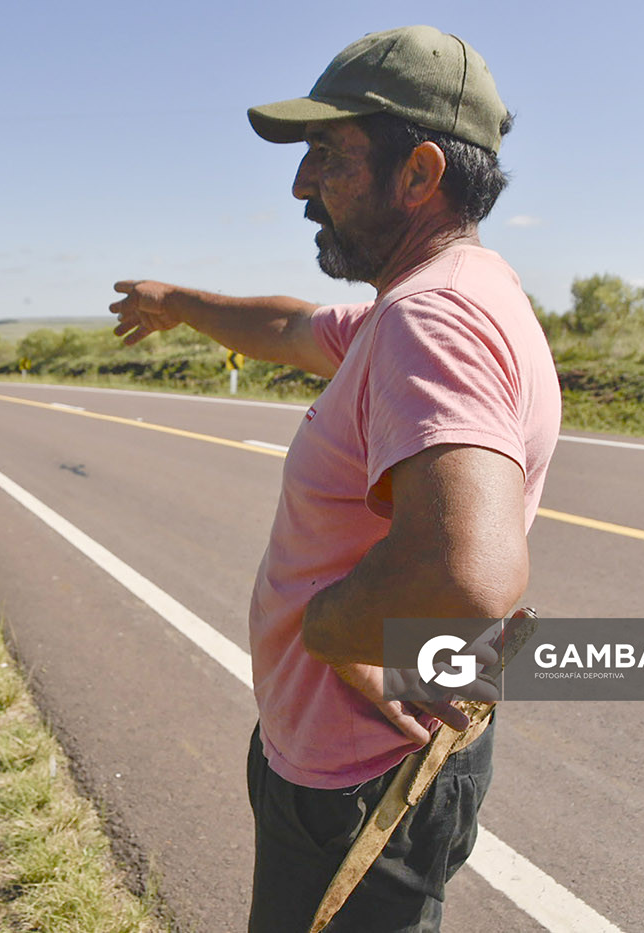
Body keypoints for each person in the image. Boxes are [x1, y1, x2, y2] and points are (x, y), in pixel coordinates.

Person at [109, 25, 561, 933]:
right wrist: (179, 304)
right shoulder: (445, 291)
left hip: (359, 780)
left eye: (327, 156)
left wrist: (322, 622)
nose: (300, 185)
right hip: (372, 757)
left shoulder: (430, 319)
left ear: (420, 173)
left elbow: (465, 574)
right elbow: (293, 330)